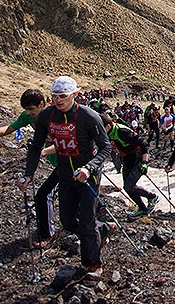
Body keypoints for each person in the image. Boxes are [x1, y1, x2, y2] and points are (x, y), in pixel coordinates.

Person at [19, 76, 112, 281]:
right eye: (55, 96)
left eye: (63, 96)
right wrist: (28, 174)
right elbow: (36, 147)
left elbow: (105, 147)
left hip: (88, 176)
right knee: (68, 222)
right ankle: (101, 230)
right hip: (64, 174)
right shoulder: (46, 116)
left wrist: (90, 167)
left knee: (87, 221)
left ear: (75, 95)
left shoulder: (89, 116)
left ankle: (92, 263)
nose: (58, 100)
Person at [0, 89, 58, 247]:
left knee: (44, 194)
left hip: (67, 159)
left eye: (31, 109)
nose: (28, 113)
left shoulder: (55, 116)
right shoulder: (28, 116)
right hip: (54, 158)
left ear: (42, 104)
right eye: (26, 110)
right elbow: (11, 128)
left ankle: (48, 235)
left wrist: (42, 151)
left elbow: (66, 142)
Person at [101, 113, 159, 219]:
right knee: (127, 188)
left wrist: (145, 162)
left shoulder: (122, 131)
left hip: (139, 157)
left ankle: (152, 197)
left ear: (108, 126)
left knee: (129, 185)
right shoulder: (108, 132)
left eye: (101, 127)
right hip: (127, 159)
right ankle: (142, 209)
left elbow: (143, 142)